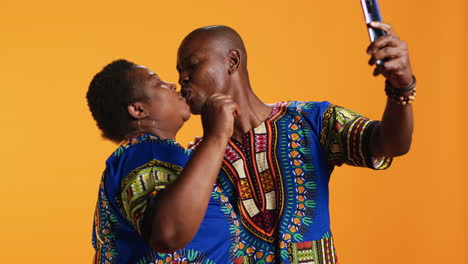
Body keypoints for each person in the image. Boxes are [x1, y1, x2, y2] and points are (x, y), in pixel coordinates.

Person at [176, 22, 415, 263]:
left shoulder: (309, 120)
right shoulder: (198, 162)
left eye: (192, 65)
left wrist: (401, 88)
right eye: (178, 71)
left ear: (233, 61)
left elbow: (390, 144)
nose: (182, 78)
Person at [87, 59, 240, 263]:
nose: (173, 85)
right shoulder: (148, 152)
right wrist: (216, 136)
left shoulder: (153, 155)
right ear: (138, 110)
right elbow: (168, 233)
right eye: (158, 83)